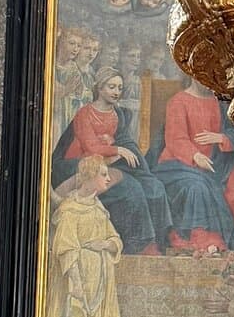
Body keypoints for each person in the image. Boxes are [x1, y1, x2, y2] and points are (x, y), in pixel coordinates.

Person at [52, 67, 172, 254]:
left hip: (109, 161)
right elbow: (90, 146)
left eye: (120, 88)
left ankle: (156, 241)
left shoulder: (118, 114)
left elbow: (124, 141)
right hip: (79, 165)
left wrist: (127, 156)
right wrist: (117, 149)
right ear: (100, 88)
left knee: (154, 187)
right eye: (111, 87)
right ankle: (137, 244)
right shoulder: (85, 113)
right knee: (131, 189)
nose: (116, 92)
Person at [43, 156, 123, 317]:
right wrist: (75, 284)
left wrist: (106, 244)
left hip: (99, 284)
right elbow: (66, 250)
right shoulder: (69, 210)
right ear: (88, 178)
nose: (108, 179)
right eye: (103, 174)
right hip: (74, 285)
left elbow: (115, 239)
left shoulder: (98, 208)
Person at [154, 78, 234, 252]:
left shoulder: (222, 103)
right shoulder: (178, 101)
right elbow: (175, 139)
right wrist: (195, 155)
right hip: (180, 165)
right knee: (198, 187)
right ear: (192, 75)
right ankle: (203, 240)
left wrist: (222, 138)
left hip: (218, 164)